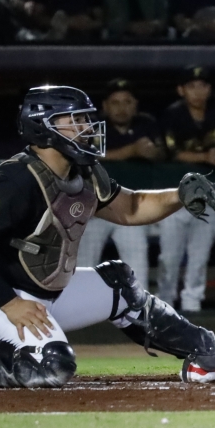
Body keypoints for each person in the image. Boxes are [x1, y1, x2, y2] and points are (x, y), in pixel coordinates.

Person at [0, 85, 215, 389]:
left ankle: (205, 357)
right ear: (45, 126)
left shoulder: (84, 170)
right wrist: (10, 304)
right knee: (51, 368)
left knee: (119, 282)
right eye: (75, 120)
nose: (85, 128)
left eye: (84, 120)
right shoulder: (16, 179)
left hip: (43, 293)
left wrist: (179, 195)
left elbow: (130, 207)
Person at [159, 66, 215, 312]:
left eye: (202, 85)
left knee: (199, 257)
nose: (198, 91)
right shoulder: (173, 114)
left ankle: (193, 305)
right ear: (181, 90)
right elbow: (172, 152)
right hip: (176, 195)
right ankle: (165, 305)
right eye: (192, 86)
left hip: (207, 193)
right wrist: (206, 155)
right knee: (168, 258)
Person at [77, 79, 164, 294]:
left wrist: (154, 152)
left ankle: (141, 308)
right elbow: (88, 156)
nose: (121, 108)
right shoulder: (93, 125)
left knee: (137, 262)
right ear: (105, 105)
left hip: (129, 209)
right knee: (84, 264)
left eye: (127, 102)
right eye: (115, 103)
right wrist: (132, 151)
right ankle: (81, 305)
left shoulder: (146, 123)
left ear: (135, 105)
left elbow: (162, 153)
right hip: (96, 210)